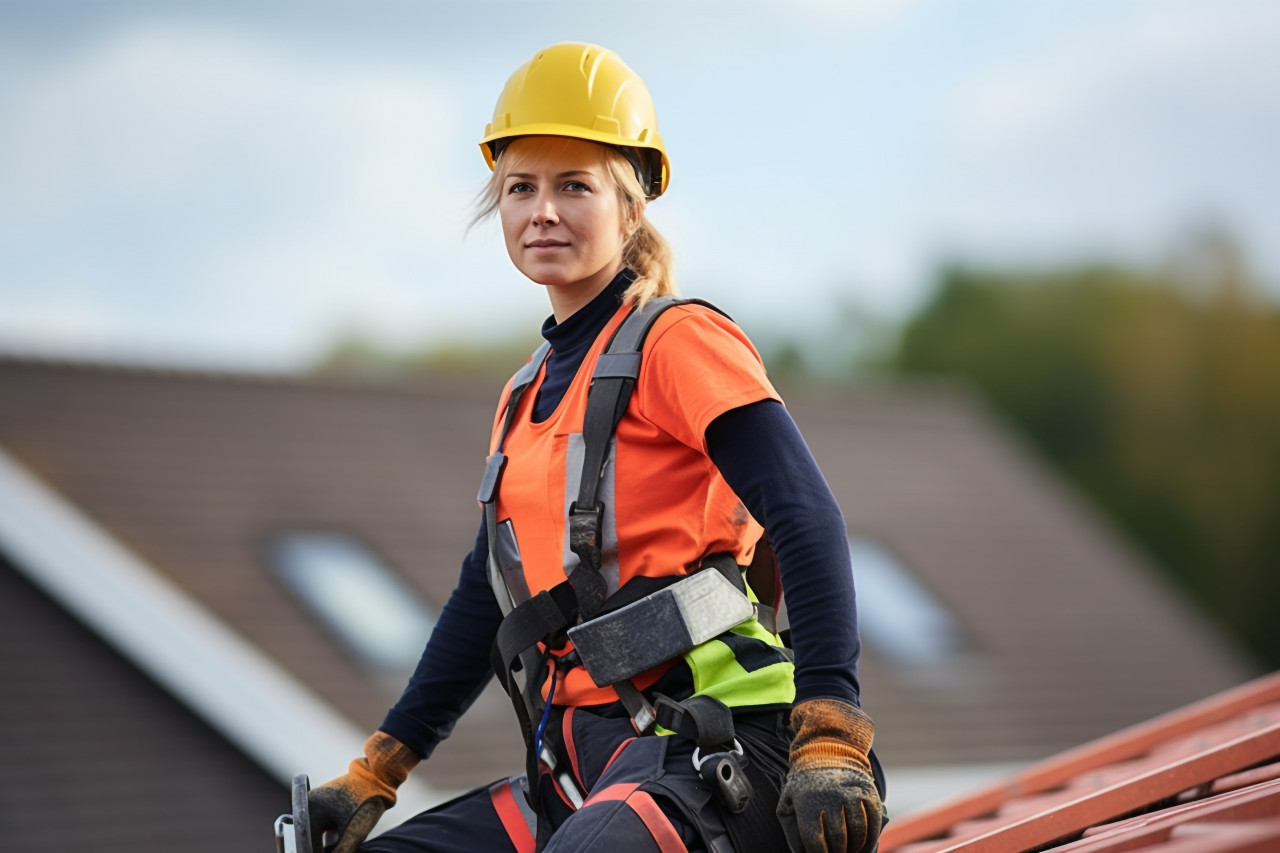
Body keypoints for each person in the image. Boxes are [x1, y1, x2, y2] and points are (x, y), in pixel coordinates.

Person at [306, 42, 886, 853]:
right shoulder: (524, 394)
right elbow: (488, 596)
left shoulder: (680, 341)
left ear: (632, 208)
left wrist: (829, 732)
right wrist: (378, 770)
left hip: (727, 747)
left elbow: (806, 514)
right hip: (586, 769)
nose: (543, 210)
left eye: (574, 185)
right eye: (521, 188)